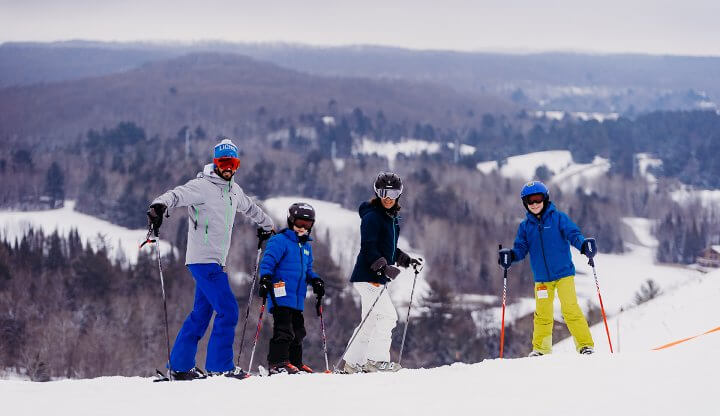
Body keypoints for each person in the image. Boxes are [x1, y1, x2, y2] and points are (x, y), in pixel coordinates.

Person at [147, 136, 275, 380]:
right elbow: (176, 195)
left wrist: (268, 226)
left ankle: (181, 366)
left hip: (216, 261)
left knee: (201, 313)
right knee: (228, 309)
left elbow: (250, 208)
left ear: (237, 164)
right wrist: (159, 205)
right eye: (223, 162)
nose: (228, 168)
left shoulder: (233, 190)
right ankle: (220, 366)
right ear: (215, 162)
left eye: (233, 163)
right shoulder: (202, 186)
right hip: (202, 260)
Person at [498, 181, 596, 356]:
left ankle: (585, 346)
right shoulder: (525, 227)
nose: (534, 204)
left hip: (563, 273)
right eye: (530, 201)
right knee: (542, 314)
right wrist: (511, 256)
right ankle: (541, 350)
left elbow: (573, 234)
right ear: (525, 204)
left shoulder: (558, 218)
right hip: (542, 278)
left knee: (570, 309)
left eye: (538, 199)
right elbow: (520, 249)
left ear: (545, 199)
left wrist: (583, 245)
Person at [341, 172, 422, 373]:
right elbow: (369, 247)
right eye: (384, 192)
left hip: (372, 276)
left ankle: (352, 363)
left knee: (369, 321)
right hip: (370, 275)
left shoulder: (389, 218)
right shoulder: (372, 217)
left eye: (393, 193)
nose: (388, 197)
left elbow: (390, 249)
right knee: (387, 317)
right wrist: (383, 267)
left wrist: (408, 260)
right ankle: (376, 361)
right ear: (377, 192)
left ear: (398, 195)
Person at [257, 202, 325, 375]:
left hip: (296, 297)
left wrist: (316, 281)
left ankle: (295, 362)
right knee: (284, 329)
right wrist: (264, 279)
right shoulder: (279, 241)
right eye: (299, 223)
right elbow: (267, 262)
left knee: (299, 331)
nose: (303, 228)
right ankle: (277, 363)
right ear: (291, 220)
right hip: (280, 293)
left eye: (307, 224)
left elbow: (308, 270)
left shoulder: (306, 247)